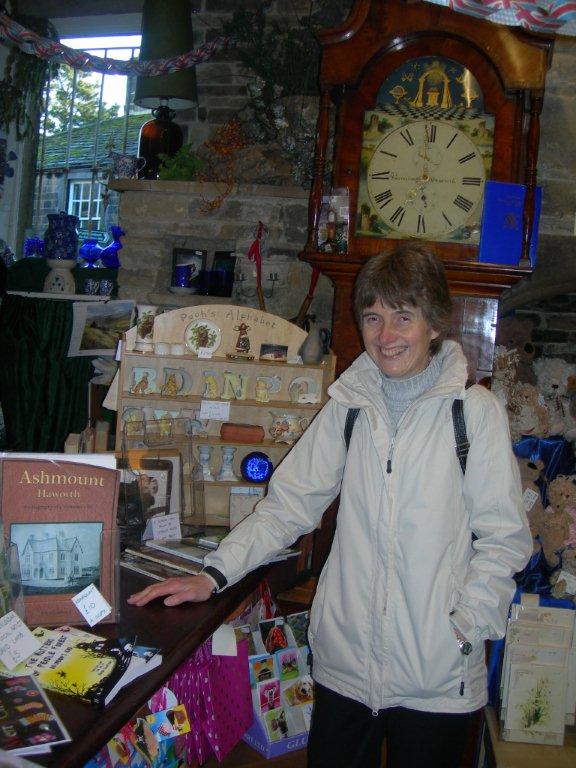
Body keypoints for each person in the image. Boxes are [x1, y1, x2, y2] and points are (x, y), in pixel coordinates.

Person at [128, 245, 532, 768]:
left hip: (438, 675)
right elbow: (287, 506)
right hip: (345, 667)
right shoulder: (349, 405)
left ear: (433, 324)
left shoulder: (472, 413)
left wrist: (463, 627)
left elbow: (504, 539)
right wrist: (214, 573)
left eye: (402, 317)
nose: (385, 336)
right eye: (373, 317)